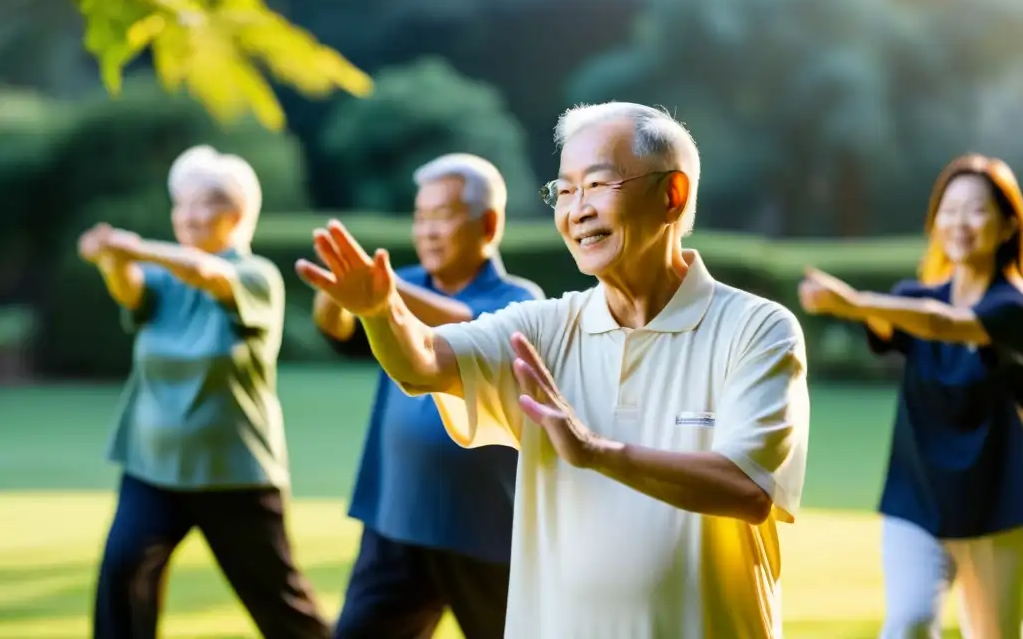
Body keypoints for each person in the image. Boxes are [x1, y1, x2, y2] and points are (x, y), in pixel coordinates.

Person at [297, 102, 811, 638]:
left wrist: (598, 452)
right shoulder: (542, 328)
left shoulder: (757, 328)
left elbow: (748, 487)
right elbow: (422, 364)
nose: (576, 209)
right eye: (563, 191)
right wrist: (382, 313)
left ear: (671, 195)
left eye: (597, 184)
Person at [79, 145, 330, 639]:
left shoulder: (256, 277)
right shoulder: (162, 279)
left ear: (236, 216)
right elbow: (130, 289)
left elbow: (209, 274)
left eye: (204, 205)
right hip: (153, 466)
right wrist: (112, 260)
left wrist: (134, 247)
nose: (189, 216)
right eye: (182, 205)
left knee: (281, 607)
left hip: (233, 471)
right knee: (123, 579)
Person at [313, 153, 543, 639]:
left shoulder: (520, 301)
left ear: (489, 223)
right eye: (421, 217)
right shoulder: (407, 283)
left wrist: (381, 294)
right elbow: (336, 332)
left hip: (485, 531)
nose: (428, 230)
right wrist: (337, 291)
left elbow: (467, 324)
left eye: (443, 215)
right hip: (396, 517)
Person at [799, 153, 1023, 639]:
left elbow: (944, 325)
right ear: (935, 219)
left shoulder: (1013, 308)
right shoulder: (912, 299)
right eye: (950, 208)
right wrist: (861, 309)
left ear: (1008, 227)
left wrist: (854, 303)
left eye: (977, 210)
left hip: (998, 507)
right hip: (916, 500)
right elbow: (906, 318)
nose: (960, 222)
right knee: (909, 622)